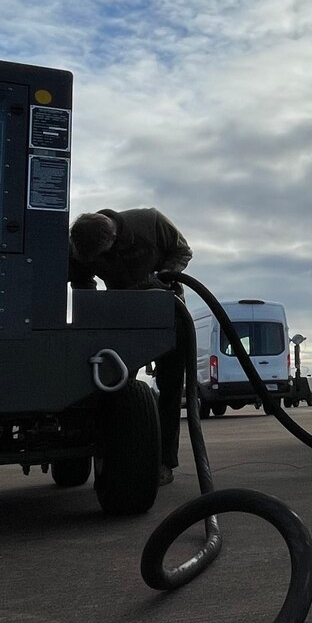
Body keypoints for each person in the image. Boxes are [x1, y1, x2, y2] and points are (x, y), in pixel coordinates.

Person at [69, 207, 193, 485]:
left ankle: (164, 463)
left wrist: (166, 275)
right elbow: (80, 278)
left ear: (113, 236)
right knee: (114, 384)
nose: (100, 262)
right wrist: (93, 309)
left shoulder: (150, 222)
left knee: (171, 388)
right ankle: (117, 455)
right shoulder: (80, 243)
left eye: (102, 256)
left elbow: (182, 251)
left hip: (166, 310)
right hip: (122, 316)